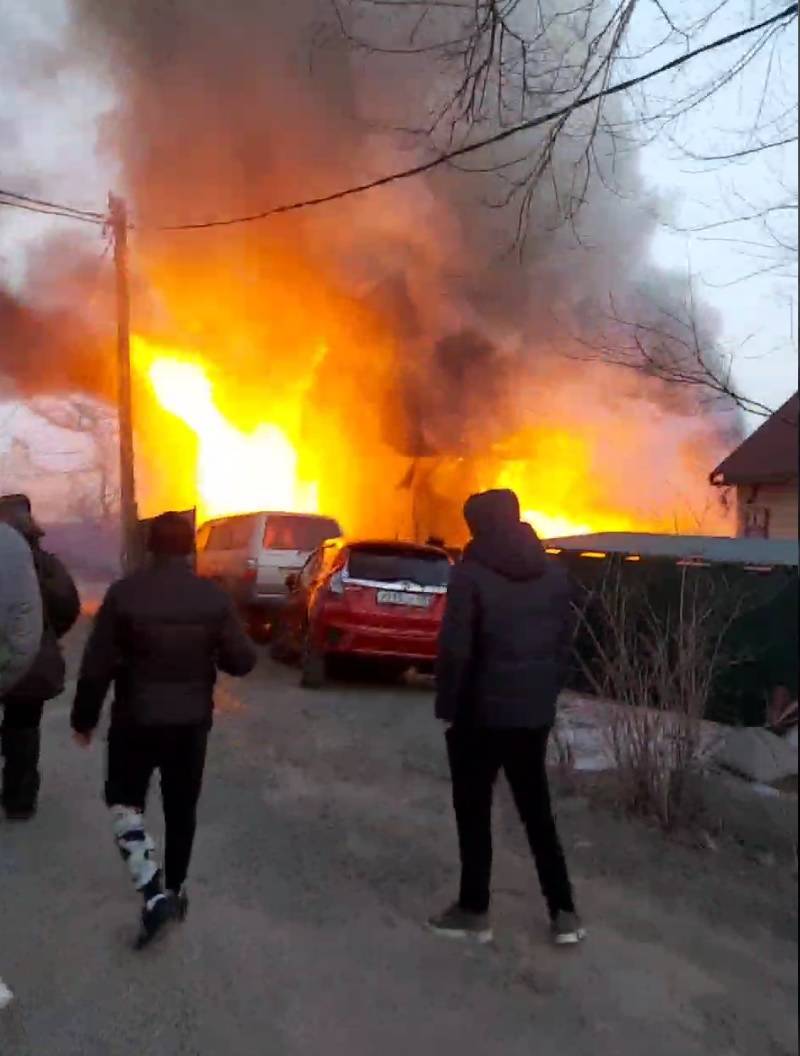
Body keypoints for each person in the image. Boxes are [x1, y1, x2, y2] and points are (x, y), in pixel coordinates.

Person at [70, 511, 257, 948]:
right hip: (190, 726)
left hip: (135, 721)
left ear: (150, 547)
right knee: (181, 810)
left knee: (124, 802)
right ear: (190, 549)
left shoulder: (124, 594)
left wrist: (84, 719)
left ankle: (151, 890)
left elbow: (96, 665)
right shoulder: (211, 599)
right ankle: (175, 889)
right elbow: (242, 661)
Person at [428, 488, 584, 946]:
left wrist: (448, 706)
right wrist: (545, 697)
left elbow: (455, 651)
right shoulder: (554, 574)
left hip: (480, 717)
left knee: (474, 812)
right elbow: (563, 647)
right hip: (532, 716)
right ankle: (565, 913)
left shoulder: (470, 575)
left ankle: (474, 911)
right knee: (538, 813)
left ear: (477, 525)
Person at [0, 494, 80, 820]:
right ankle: (19, 800)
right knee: (24, 729)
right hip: (32, 661)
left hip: (17, 656)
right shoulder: (47, 564)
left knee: (20, 727)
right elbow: (68, 608)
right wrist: (45, 635)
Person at [0, 518, 43, 1010]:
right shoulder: (29, 558)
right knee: (23, 736)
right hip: (26, 666)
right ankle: (20, 799)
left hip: (21, 662)